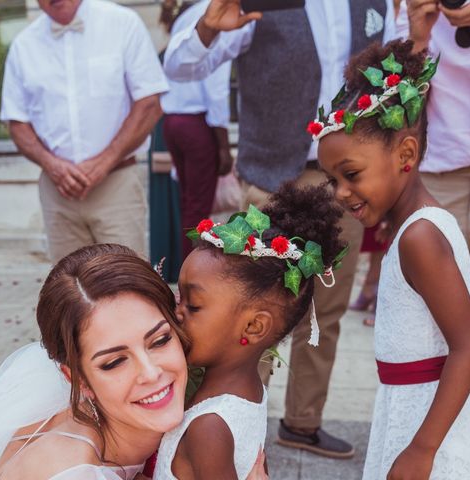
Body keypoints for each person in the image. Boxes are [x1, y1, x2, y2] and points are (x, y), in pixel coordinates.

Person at [162, 0, 397, 458]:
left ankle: (302, 423)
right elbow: (182, 67)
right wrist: (208, 29)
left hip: (343, 182)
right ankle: (237, 426)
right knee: (251, 310)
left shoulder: (375, 4)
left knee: (325, 313)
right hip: (273, 178)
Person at [314, 38, 470, 479]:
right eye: (331, 179)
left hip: (434, 427)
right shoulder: (412, 227)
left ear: (406, 155)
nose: (340, 192)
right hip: (412, 409)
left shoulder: (420, 238)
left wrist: (422, 450)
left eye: (351, 174)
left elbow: (469, 345)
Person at [0, 244, 190, 480]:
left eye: (159, 341)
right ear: (77, 379)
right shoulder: (70, 471)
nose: (151, 372)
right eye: (114, 362)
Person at [154, 183, 347, 479]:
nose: (176, 312)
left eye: (193, 306)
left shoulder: (209, 426)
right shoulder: (249, 392)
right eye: (180, 297)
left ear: (254, 327)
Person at [0, 0, 167, 262]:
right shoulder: (23, 46)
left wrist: (103, 163)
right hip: (58, 193)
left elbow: (149, 104)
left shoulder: (123, 23)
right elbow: (16, 123)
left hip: (117, 184)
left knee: (126, 283)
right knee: (68, 291)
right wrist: (53, 166)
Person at [396, 0, 470, 327]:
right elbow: (400, 109)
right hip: (439, 179)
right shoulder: (419, 7)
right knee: (433, 325)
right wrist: (418, 40)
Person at [160, 0, 234, 261]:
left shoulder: (186, 16)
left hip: (172, 120)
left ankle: (185, 267)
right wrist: (223, 144)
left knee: (189, 203)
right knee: (198, 208)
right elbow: (216, 87)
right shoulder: (218, 14)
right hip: (196, 123)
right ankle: (191, 271)